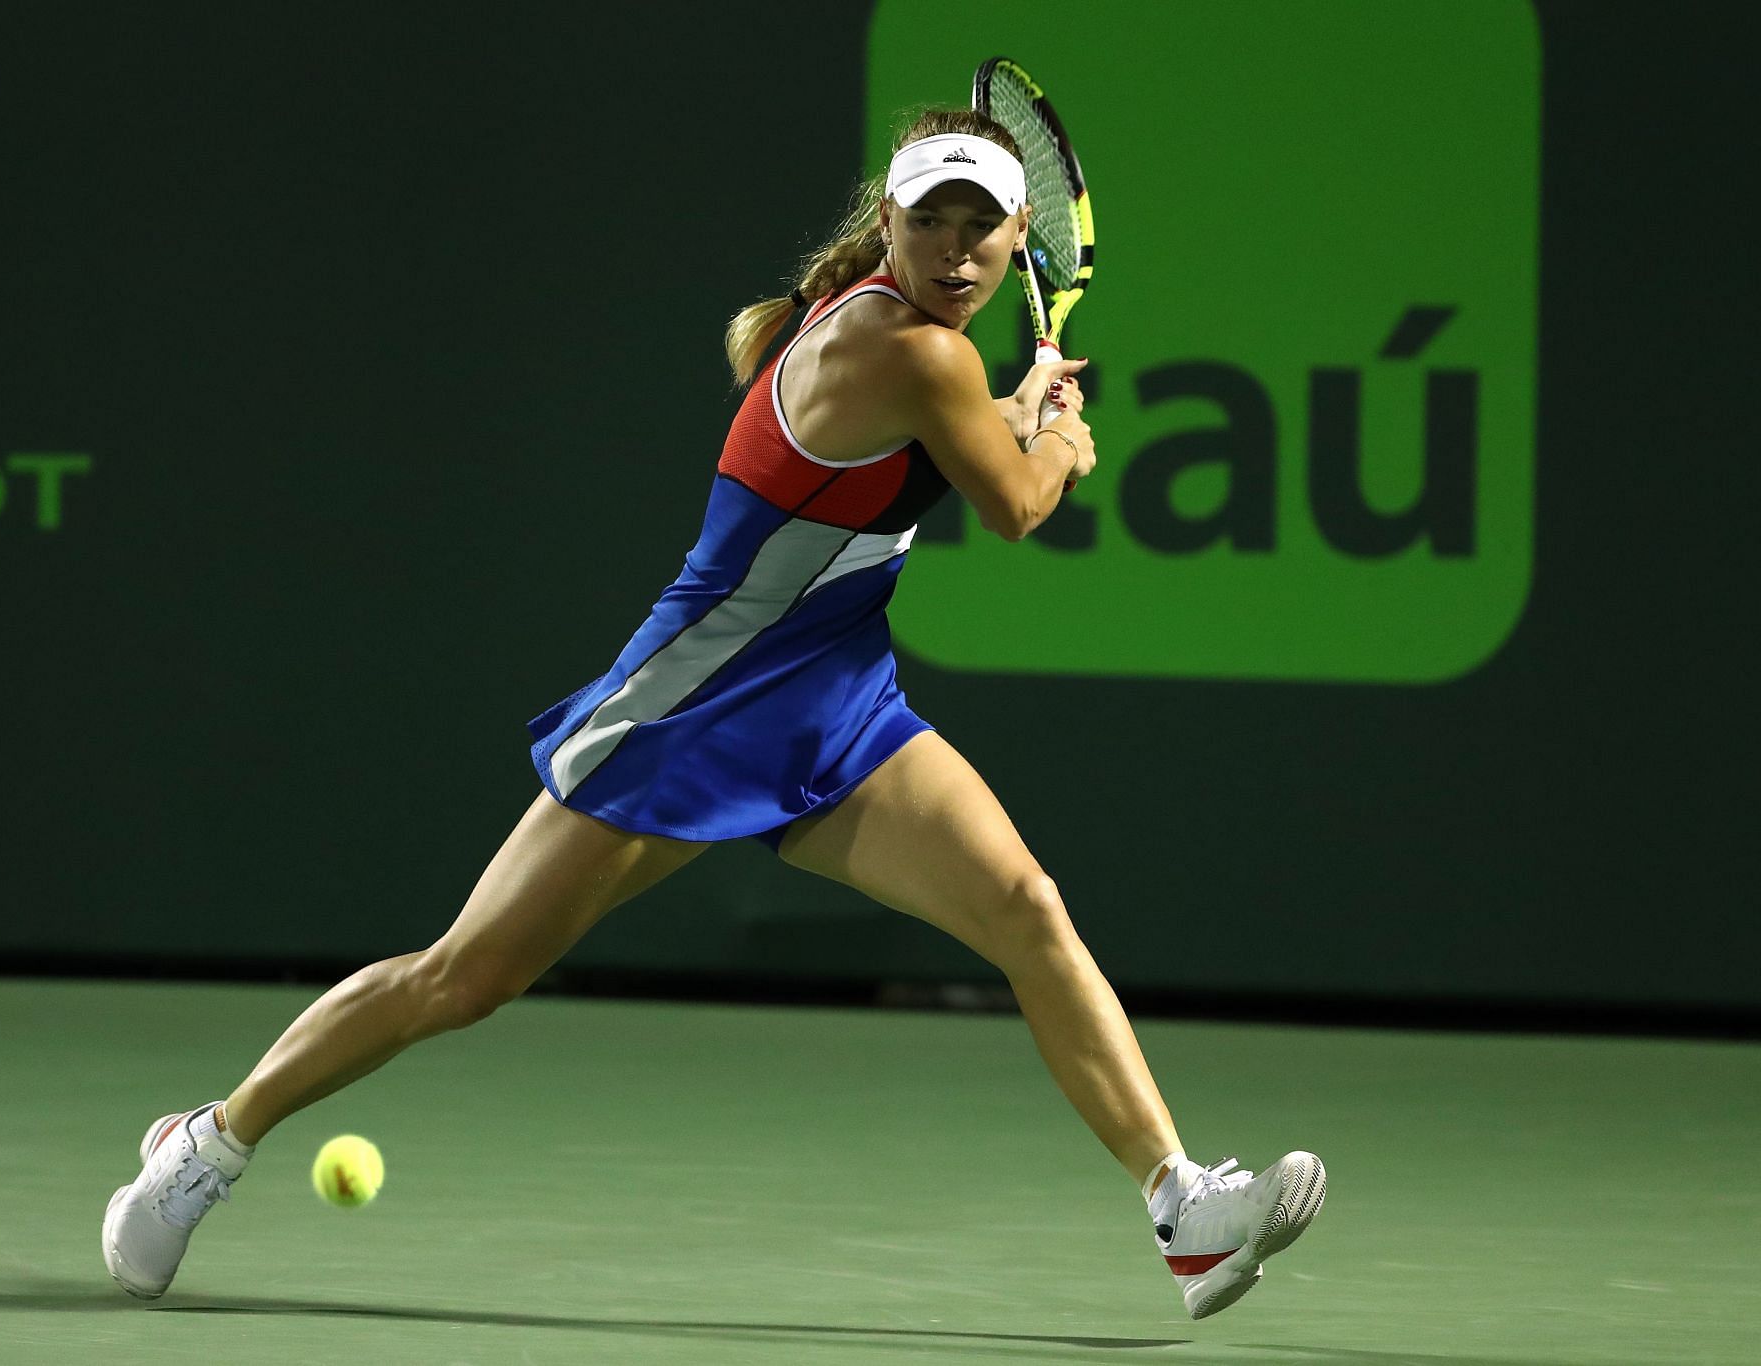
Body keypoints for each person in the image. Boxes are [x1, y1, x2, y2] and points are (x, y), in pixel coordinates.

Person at [101, 108, 1324, 1321]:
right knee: (461, 979)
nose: (957, 252)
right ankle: (210, 1141)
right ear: (886, 224)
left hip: (836, 701)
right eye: (931, 222)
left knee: (1026, 906)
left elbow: (917, 460)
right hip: (692, 710)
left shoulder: (885, 338)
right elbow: (1012, 506)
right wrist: (1053, 440)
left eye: (983, 228)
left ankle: (1183, 1209)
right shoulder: (916, 352)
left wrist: (1013, 419)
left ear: (1019, 242)